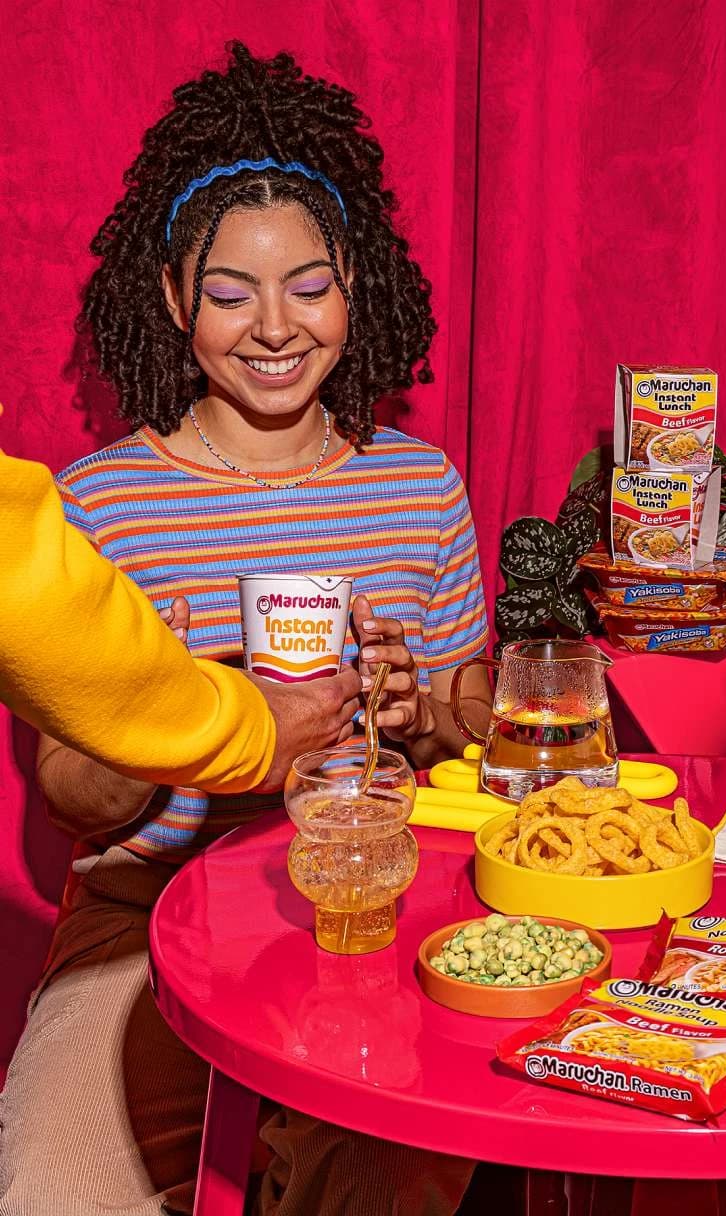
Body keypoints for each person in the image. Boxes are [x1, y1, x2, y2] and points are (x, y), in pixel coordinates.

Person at [0, 44, 491, 1216]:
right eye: (229, 294)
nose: (273, 327)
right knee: (50, 1193)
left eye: (307, 286)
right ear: (176, 302)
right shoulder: (97, 504)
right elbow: (74, 795)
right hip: (147, 922)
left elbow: (480, 715)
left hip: (378, 914)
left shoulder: (421, 486)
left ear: (353, 288)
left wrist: (421, 709)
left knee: (392, 1173)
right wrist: (169, 700)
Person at [0, 441, 359, 788]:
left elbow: (416, 750)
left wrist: (406, 715)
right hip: (176, 849)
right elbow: (72, 800)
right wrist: (159, 705)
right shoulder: (95, 497)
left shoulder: (413, 483)